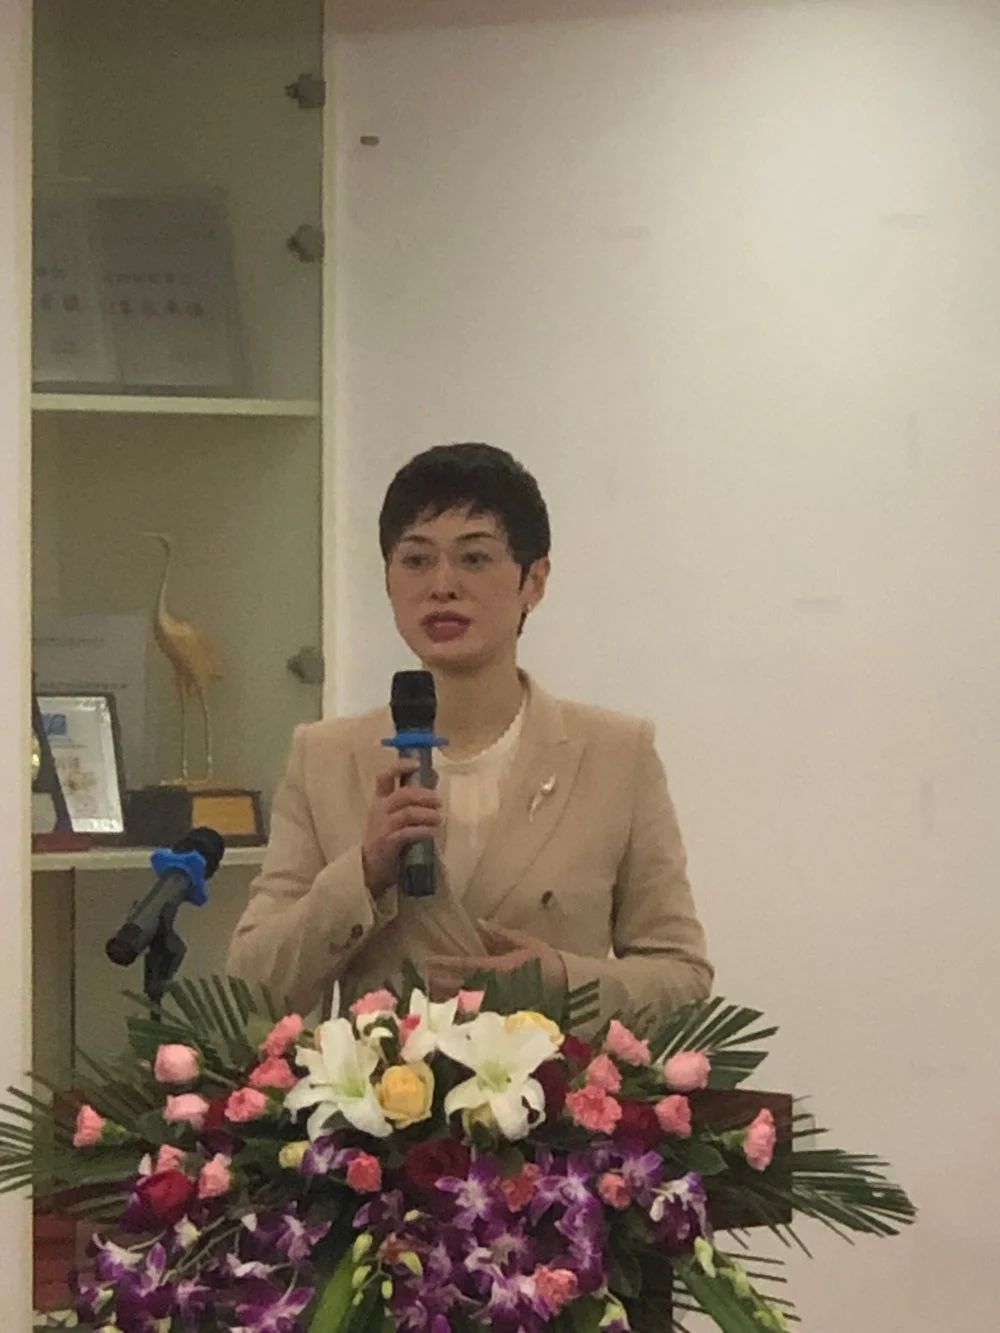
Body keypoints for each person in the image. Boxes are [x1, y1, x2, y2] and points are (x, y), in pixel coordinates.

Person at [227, 444, 712, 1021]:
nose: (442, 585)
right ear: (387, 581)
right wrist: (363, 872)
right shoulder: (325, 757)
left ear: (534, 581)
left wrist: (560, 980)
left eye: (474, 559)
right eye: (416, 560)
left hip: (555, 1078)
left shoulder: (616, 754)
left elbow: (682, 977)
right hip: (377, 1079)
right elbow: (248, 991)